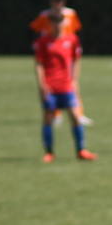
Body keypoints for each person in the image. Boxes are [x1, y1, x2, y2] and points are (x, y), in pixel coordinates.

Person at [32, 13, 96, 163]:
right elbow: (39, 64)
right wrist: (42, 85)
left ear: (64, 23)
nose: (57, 25)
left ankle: (81, 150)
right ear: (49, 24)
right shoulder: (43, 42)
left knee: (75, 117)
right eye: (53, 23)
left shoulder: (72, 40)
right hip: (50, 87)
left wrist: (74, 80)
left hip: (66, 85)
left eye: (59, 22)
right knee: (48, 118)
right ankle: (49, 152)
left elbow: (76, 60)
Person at [29, 0, 92, 126]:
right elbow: (37, 31)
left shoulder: (70, 14)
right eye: (55, 1)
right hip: (50, 50)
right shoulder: (44, 15)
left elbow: (75, 30)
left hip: (66, 50)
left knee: (72, 82)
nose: (57, 4)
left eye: (60, 1)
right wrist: (38, 46)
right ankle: (55, 113)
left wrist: (75, 46)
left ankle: (78, 113)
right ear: (51, 1)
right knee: (50, 83)